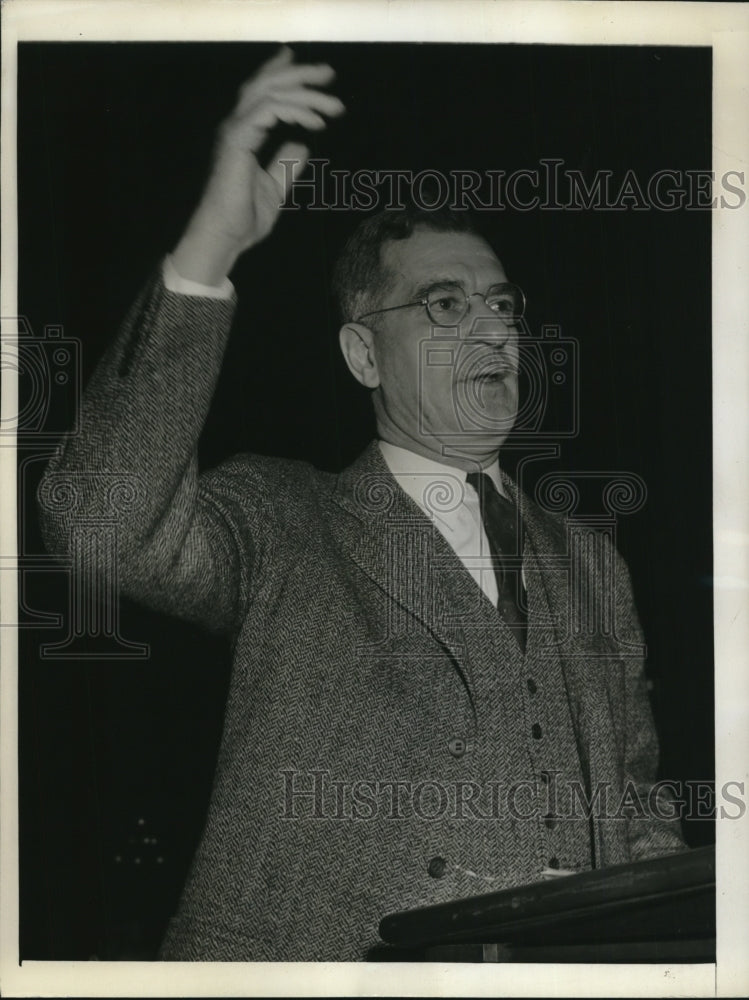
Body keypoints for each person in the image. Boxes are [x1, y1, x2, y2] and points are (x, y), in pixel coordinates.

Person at [37, 47, 685, 962]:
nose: (496, 327)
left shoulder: (591, 559)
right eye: (446, 305)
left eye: (502, 304)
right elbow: (97, 524)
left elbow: (634, 801)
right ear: (363, 356)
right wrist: (207, 254)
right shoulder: (281, 517)